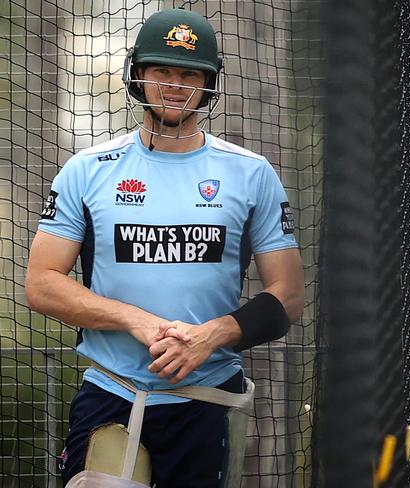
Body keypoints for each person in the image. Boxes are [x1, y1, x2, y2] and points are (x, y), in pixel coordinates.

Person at [25, 8, 304, 488]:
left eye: (188, 73)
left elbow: (290, 296)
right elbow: (42, 285)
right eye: (162, 71)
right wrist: (137, 320)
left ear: (210, 82)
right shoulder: (88, 169)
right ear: (138, 76)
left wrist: (211, 336)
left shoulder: (251, 172)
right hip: (113, 391)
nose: (175, 85)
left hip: (207, 397)